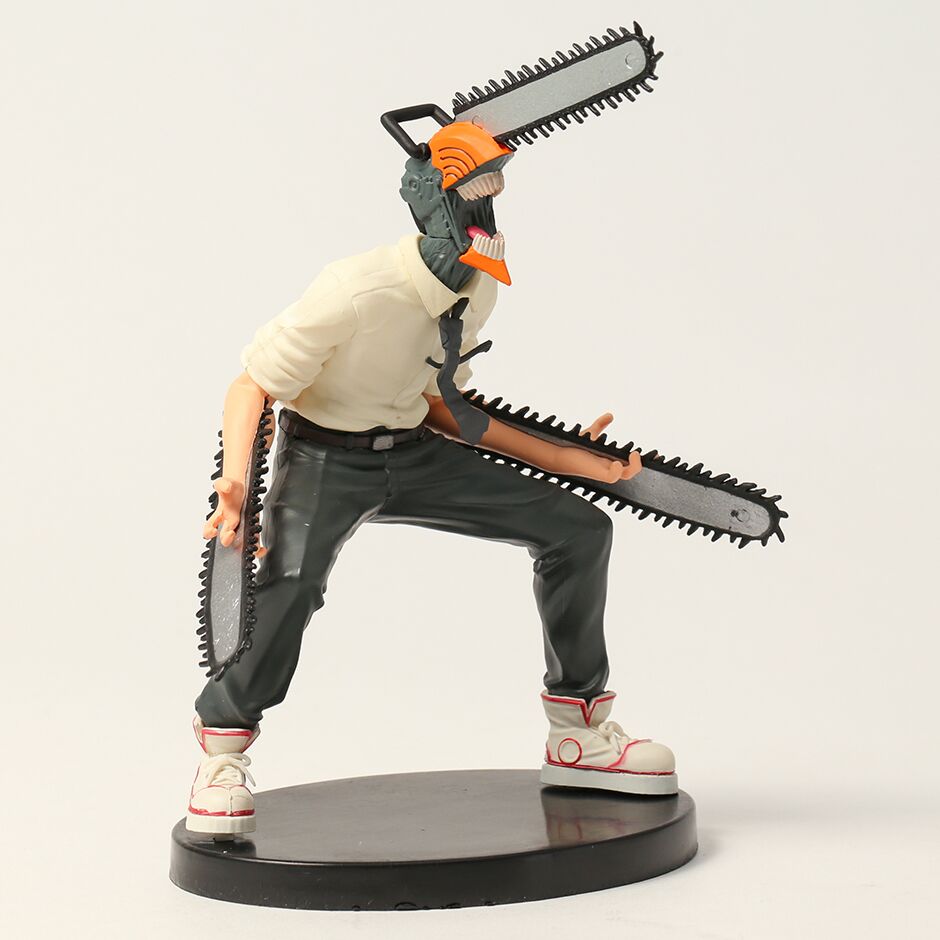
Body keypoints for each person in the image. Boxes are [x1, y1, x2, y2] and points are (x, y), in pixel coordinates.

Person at [186, 121, 677, 837]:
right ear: (434, 202)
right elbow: (252, 385)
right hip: (325, 459)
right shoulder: (355, 289)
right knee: (290, 582)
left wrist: (576, 460)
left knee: (579, 530)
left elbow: (443, 403)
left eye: (492, 193)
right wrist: (237, 488)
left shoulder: (478, 287)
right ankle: (221, 751)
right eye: (471, 194)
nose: (485, 210)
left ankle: (578, 733)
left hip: (415, 452)